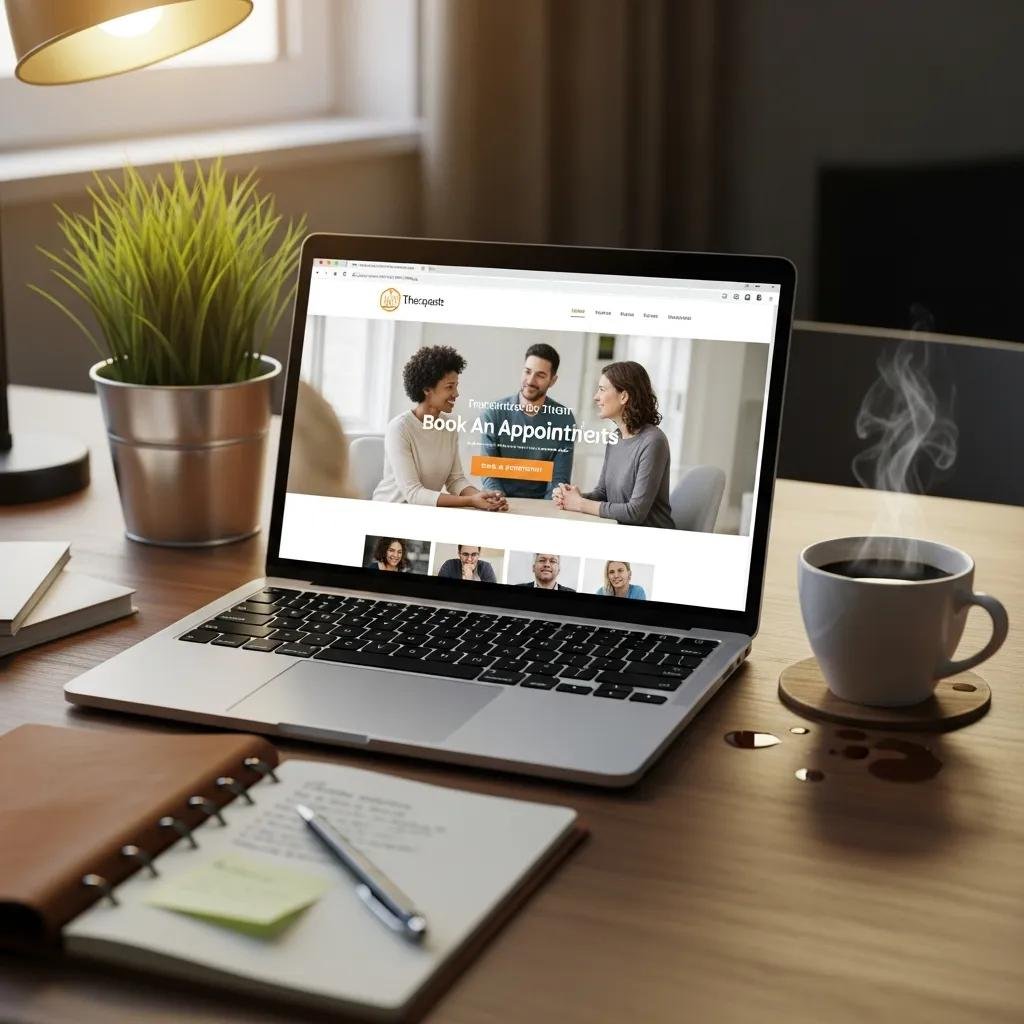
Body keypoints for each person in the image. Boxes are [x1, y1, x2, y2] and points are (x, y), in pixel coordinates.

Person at [373, 345, 508, 511]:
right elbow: (413, 493)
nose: (456, 393)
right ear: (427, 389)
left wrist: (483, 496)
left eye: (456, 386)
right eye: (450, 387)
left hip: (425, 512)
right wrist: (471, 501)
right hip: (391, 511)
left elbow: (455, 480)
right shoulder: (400, 428)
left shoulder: (449, 427)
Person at [552, 361, 673, 529]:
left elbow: (635, 513)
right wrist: (572, 497)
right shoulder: (614, 438)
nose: (596, 397)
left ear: (624, 396)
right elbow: (603, 493)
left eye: (602, 389)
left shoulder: (653, 442)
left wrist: (580, 504)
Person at [481, 343, 576, 499]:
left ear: (553, 380)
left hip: (542, 506)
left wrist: (544, 511)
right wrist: (499, 501)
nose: (531, 380)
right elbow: (488, 471)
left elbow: (558, 480)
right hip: (499, 501)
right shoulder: (494, 413)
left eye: (540, 375)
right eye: (527, 371)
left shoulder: (564, 419)